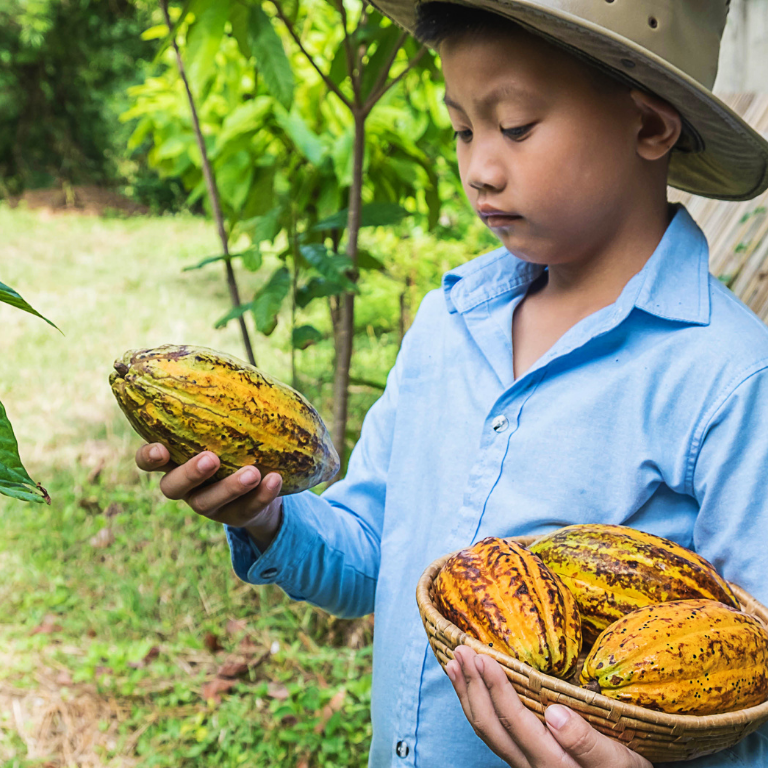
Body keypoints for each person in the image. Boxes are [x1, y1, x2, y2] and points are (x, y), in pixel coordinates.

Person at [134, 0, 768, 766]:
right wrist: (264, 515)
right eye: (463, 129)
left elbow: (748, 675)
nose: (479, 169)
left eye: (517, 127)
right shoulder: (447, 323)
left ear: (649, 127)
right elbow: (372, 554)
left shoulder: (728, 379)